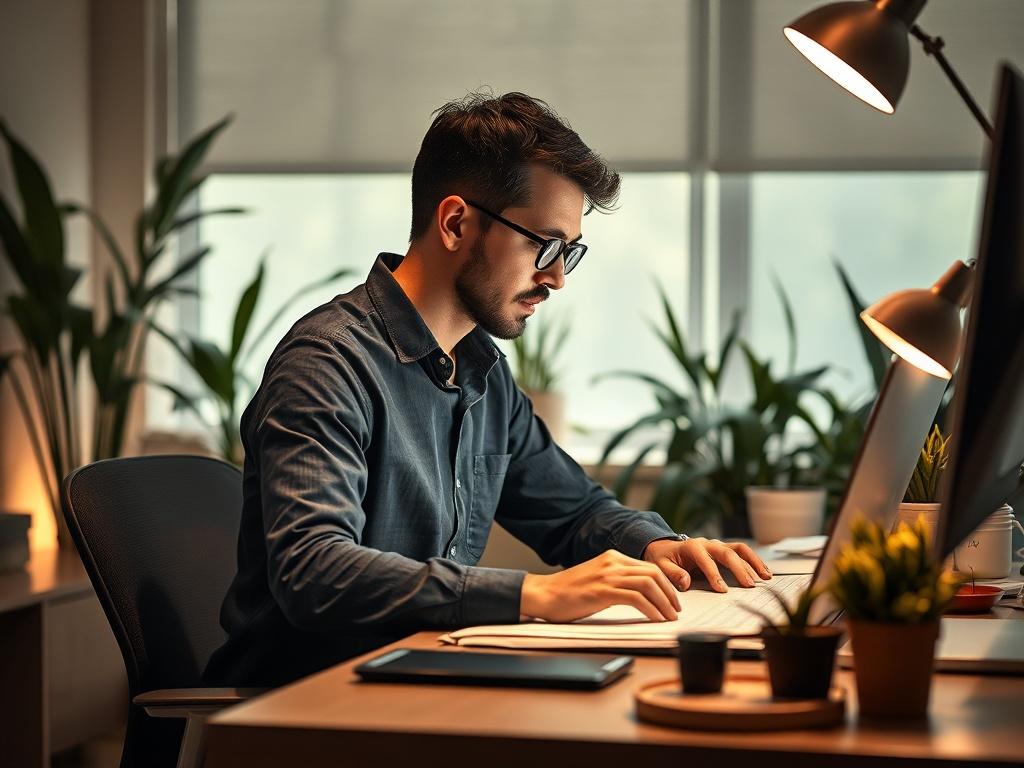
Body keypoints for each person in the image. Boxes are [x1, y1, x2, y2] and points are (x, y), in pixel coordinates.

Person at [204, 92, 772, 687]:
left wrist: (656, 546)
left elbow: (573, 511)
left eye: (568, 254)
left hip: (417, 683)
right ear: (455, 224)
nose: (554, 278)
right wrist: (536, 593)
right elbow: (315, 573)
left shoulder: (483, 373)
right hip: (299, 710)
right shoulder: (328, 364)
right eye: (543, 245)